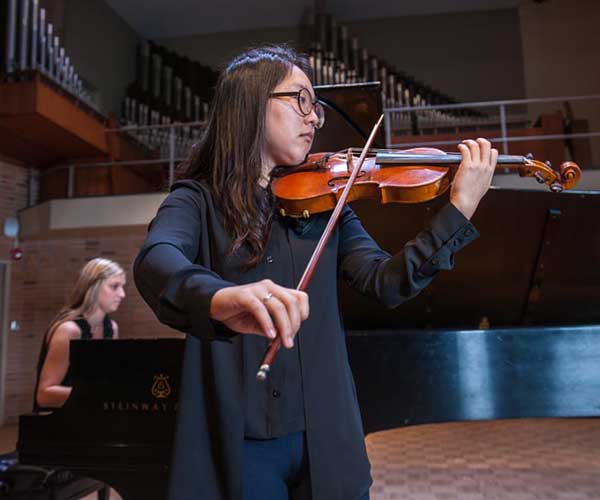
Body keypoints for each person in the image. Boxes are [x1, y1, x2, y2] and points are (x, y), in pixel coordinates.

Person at [133, 45, 498, 500]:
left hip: (325, 439)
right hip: (238, 446)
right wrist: (220, 298)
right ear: (251, 102)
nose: (314, 118)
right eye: (301, 100)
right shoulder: (196, 201)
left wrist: (460, 208)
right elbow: (156, 259)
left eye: (316, 107)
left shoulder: (328, 206)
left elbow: (386, 282)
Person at [34, 258, 126, 410]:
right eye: (114, 286)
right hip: (56, 422)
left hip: (91, 419)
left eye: (122, 287)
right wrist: (97, 393)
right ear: (93, 287)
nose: (122, 294)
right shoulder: (69, 330)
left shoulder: (111, 328)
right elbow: (44, 395)